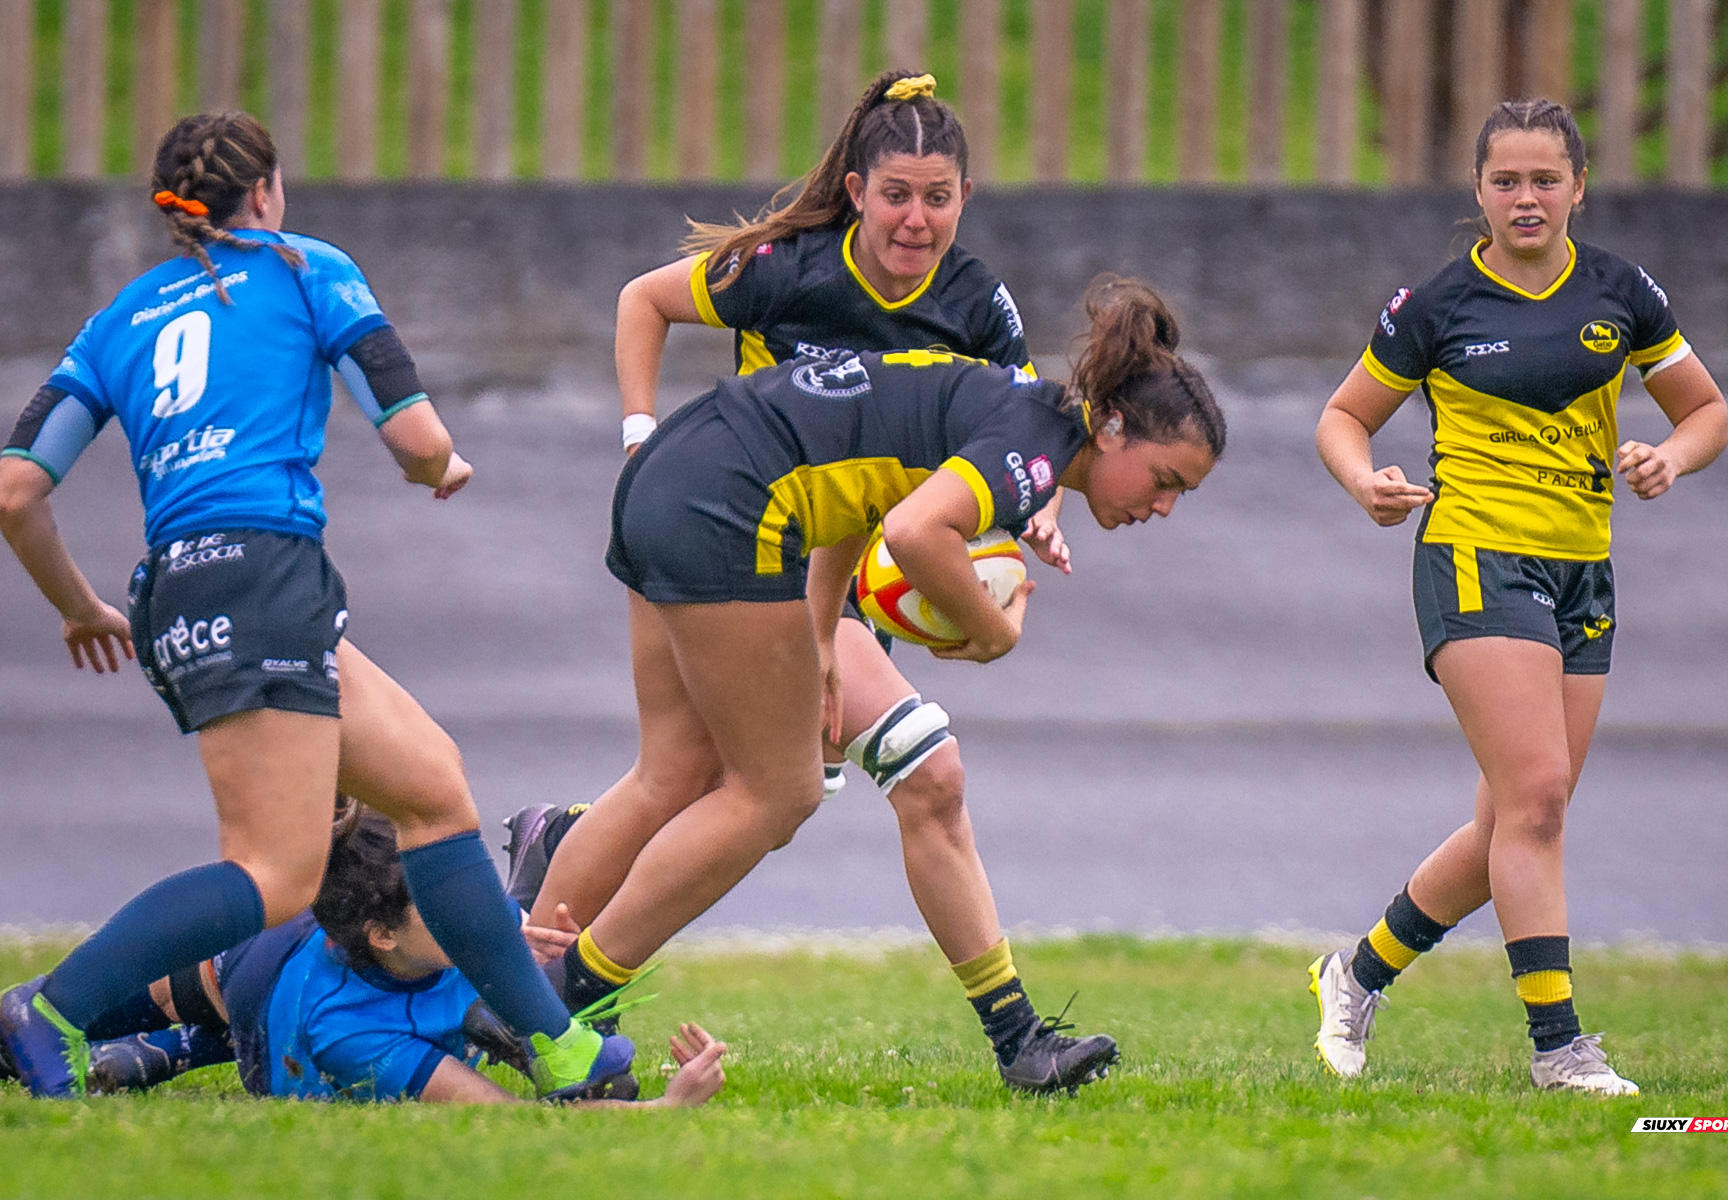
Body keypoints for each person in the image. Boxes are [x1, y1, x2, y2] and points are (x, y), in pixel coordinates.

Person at [0, 111, 626, 1101]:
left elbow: (16, 489)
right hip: (264, 579)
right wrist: (441, 466)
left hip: (176, 590)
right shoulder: (306, 268)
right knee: (275, 876)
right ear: (266, 194)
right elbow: (415, 435)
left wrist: (76, 606)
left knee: (430, 787)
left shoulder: (120, 316)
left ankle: (562, 1048)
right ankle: (52, 1010)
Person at [511, 70, 1101, 1092]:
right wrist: (639, 436)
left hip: (825, 557)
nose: (917, 219)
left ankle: (533, 981)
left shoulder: (976, 301)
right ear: (859, 189)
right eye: (897, 195)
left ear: (965, 199)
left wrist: (1037, 506)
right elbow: (643, 301)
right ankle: (1017, 1042)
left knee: (680, 778)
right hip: (743, 535)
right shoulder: (786, 269)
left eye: (940, 197)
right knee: (915, 772)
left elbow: (1021, 424)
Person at [528, 275, 1223, 1098]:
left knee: (673, 773)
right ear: (1111, 429)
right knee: (777, 793)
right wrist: (994, 631)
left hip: (675, 476)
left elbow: (857, 487)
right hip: (725, 503)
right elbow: (914, 530)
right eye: (1167, 479)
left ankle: (528, 1002)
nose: (1166, 506)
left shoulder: (1010, 404)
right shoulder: (1034, 444)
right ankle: (563, 996)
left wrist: (822, 633)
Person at [1308, 99, 1728, 1094]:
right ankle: (1560, 1049)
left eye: (1546, 179)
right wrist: (1365, 481)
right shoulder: (1438, 305)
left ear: (1578, 186)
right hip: (1472, 558)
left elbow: (1706, 409)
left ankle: (1357, 973)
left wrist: (1669, 455)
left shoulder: (1624, 293)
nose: (1526, 198)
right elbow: (1342, 418)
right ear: (1479, 193)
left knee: (1516, 818)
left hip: (1582, 571)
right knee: (1538, 801)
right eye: (1507, 181)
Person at [76, 809, 726, 1108]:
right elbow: (509, 1118)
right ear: (384, 934)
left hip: (345, 936)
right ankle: (188, 1044)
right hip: (261, 975)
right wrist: (666, 1111)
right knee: (124, 1005)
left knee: (509, 988)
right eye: (441, 898)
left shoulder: (454, 912)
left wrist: (524, 934)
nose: (466, 905)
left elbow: (497, 928)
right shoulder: (350, 1032)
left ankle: (174, 1052)